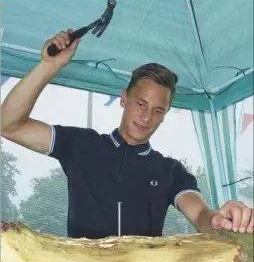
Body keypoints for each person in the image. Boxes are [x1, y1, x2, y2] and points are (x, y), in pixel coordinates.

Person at [1, 30, 253, 239]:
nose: (146, 117)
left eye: (157, 110)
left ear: (165, 114)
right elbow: (8, 124)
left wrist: (219, 219)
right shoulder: (81, 144)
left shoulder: (171, 171)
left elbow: (200, 215)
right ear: (124, 99)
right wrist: (48, 66)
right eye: (141, 104)